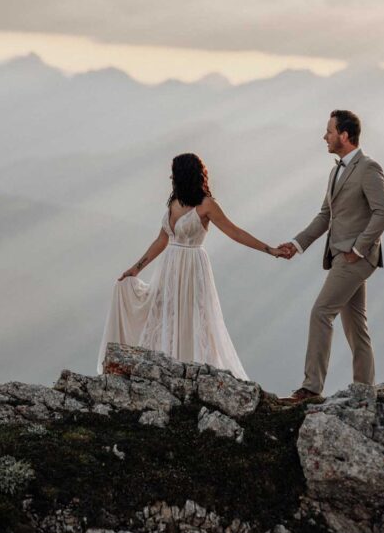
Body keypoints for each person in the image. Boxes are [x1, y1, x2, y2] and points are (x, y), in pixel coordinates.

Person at [97, 152, 281, 379]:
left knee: (193, 317)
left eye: (173, 173)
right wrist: (136, 269)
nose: (170, 177)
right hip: (169, 268)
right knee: (167, 313)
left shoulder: (207, 205)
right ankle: (166, 369)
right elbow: (162, 240)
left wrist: (269, 249)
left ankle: (191, 370)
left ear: (182, 174)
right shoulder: (174, 203)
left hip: (193, 267)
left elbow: (234, 232)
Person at [277, 109, 384, 403]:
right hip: (342, 256)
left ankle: (311, 388)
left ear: (344, 135)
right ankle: (365, 391)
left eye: (329, 131)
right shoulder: (335, 171)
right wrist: (296, 244)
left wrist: (358, 249)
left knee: (321, 312)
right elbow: (325, 216)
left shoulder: (369, 168)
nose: (324, 136)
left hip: (355, 258)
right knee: (356, 326)